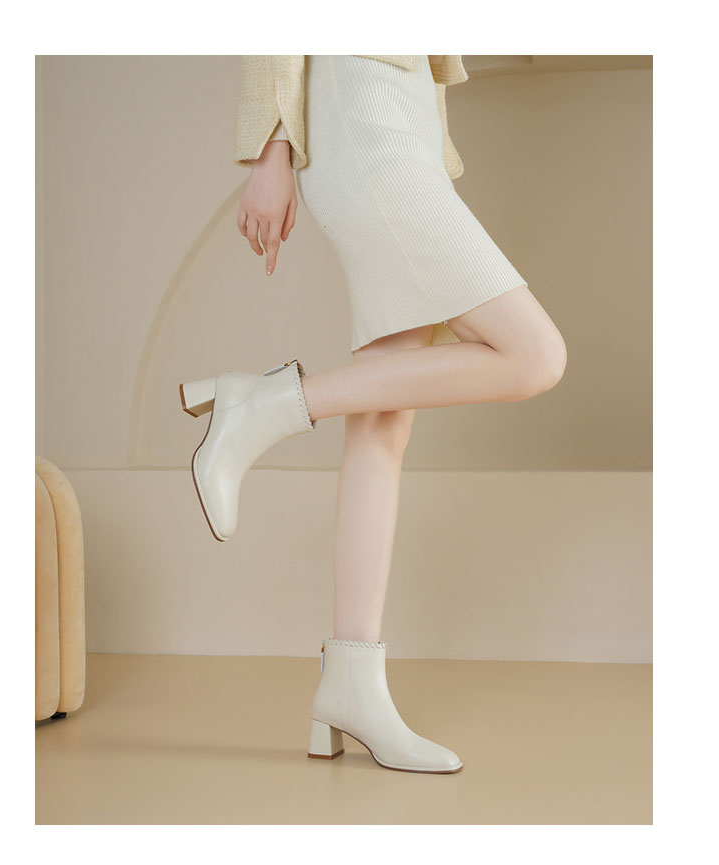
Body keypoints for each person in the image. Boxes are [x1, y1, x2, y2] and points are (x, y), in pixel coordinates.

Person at [179, 55, 567, 774]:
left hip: (407, 114)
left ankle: (351, 684)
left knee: (385, 418)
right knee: (535, 354)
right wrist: (270, 151)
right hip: (364, 107)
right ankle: (266, 405)